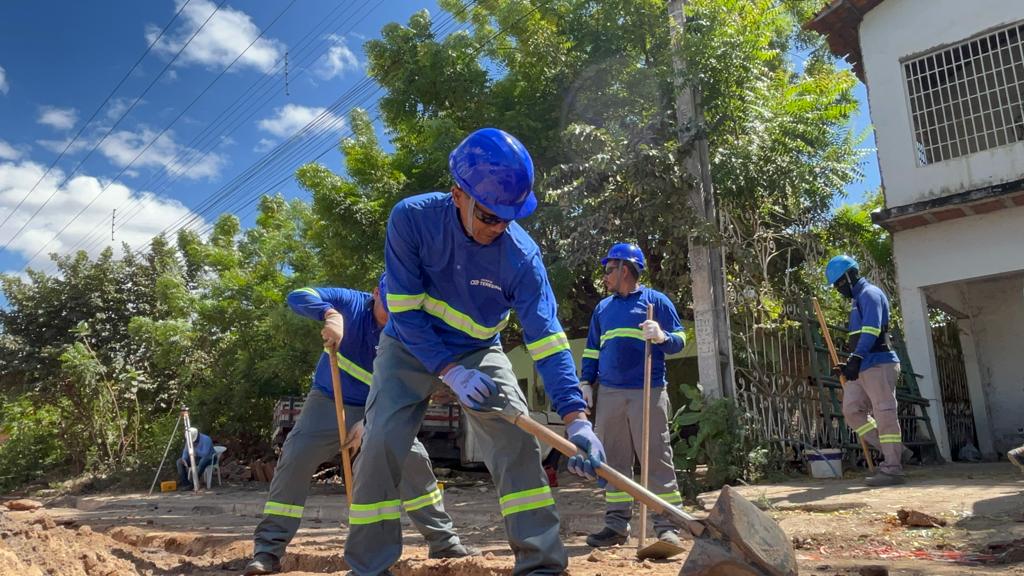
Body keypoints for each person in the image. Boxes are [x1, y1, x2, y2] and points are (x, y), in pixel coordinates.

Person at [343, 127, 605, 576]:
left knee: (517, 442)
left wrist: (577, 418)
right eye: (488, 215)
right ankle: (369, 566)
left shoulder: (522, 258)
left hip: (479, 350)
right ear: (457, 195)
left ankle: (542, 564)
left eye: (509, 217)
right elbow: (403, 312)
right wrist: (449, 373)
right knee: (382, 441)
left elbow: (547, 338)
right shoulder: (411, 220)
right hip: (408, 344)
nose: (498, 227)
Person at [244, 275, 475, 575]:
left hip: (383, 407)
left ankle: (444, 542)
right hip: (330, 403)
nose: (395, 311)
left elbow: (420, 385)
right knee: (297, 454)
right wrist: (329, 315)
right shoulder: (350, 303)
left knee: (413, 460)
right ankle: (268, 550)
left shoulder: (412, 325)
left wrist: (368, 422)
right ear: (375, 293)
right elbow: (298, 294)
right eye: (389, 302)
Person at [579, 243, 687, 548]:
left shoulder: (656, 301)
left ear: (625, 269)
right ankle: (615, 526)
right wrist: (586, 382)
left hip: (648, 390)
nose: (605, 277)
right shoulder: (602, 309)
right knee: (612, 459)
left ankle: (667, 526)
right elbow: (591, 350)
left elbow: (680, 338)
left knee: (656, 457)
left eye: (609, 270)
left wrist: (663, 336)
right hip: (611, 392)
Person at [827, 255, 906, 486]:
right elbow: (859, 336)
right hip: (863, 365)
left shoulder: (869, 294)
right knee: (852, 410)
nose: (838, 289)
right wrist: (851, 362)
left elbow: (871, 330)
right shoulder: (857, 300)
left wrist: (856, 358)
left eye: (839, 283)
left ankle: (893, 468)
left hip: (879, 363)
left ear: (851, 276)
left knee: (885, 413)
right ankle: (896, 450)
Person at [177, 427, 213, 491]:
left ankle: (194, 483)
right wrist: (184, 459)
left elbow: (205, 454)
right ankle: (186, 484)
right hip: (196, 458)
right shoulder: (189, 439)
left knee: (203, 461)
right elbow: (186, 451)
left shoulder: (206, 439)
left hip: (209, 458)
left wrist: (195, 451)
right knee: (179, 462)